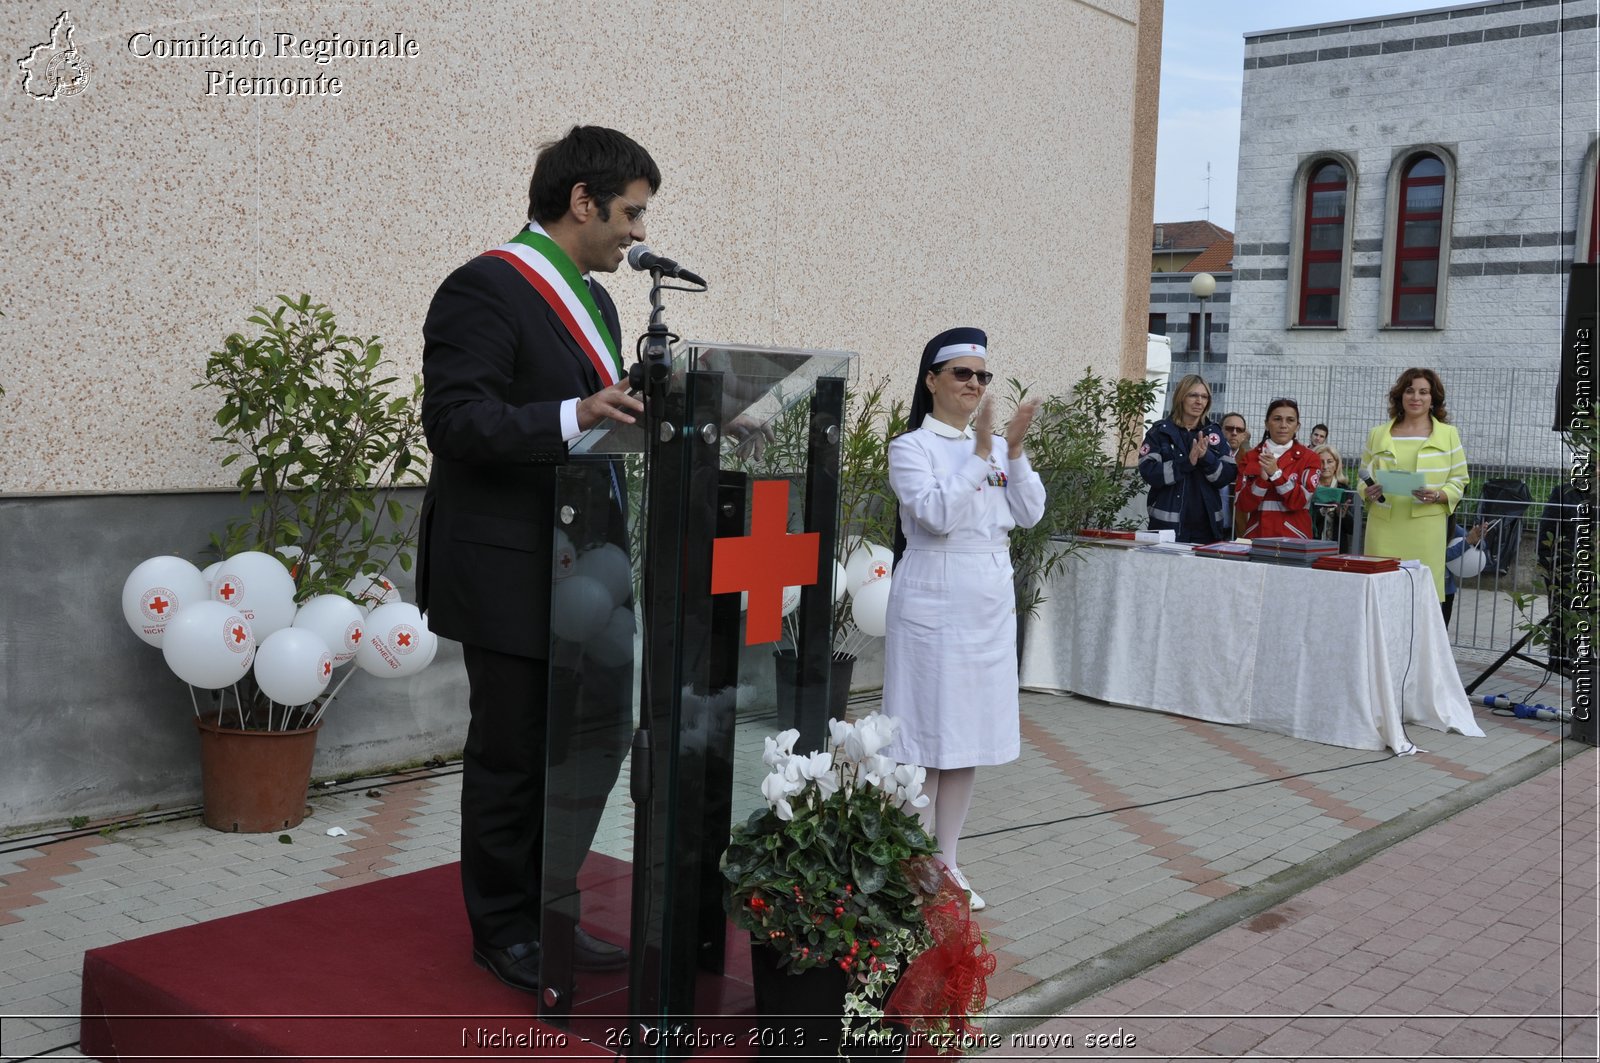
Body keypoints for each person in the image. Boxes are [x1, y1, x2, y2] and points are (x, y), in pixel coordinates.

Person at [417, 126, 658, 993]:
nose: (638, 232)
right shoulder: (484, 287)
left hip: (587, 570)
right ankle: (503, 927)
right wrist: (569, 413)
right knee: (515, 755)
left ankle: (552, 905)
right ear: (582, 200)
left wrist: (695, 419)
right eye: (629, 212)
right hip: (513, 568)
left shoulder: (597, 303)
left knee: (587, 745)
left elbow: (607, 417)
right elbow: (454, 421)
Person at [882, 327, 1045, 912]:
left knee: (967, 736)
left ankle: (947, 860)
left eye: (982, 376)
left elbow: (1028, 512)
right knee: (927, 737)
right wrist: (979, 454)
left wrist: (1015, 452)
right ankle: (910, 859)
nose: (975, 384)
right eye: (962, 374)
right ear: (931, 381)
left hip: (987, 599)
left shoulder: (999, 448)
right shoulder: (912, 447)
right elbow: (936, 516)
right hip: (935, 593)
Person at [1357, 368, 1469, 603]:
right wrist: (1366, 490)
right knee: (1381, 596)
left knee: (1421, 598)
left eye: (1423, 392)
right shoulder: (1377, 434)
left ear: (1433, 399)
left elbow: (1460, 479)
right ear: (1400, 396)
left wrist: (1439, 495)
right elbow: (1362, 475)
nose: (1415, 397)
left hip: (1426, 529)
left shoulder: (1449, 434)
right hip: (1383, 527)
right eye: (1409, 391)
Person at [1137, 375, 1235, 543]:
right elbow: (1149, 472)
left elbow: (1228, 475)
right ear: (1181, 397)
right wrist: (1185, 464)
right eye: (1193, 395)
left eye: (1204, 397)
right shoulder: (1160, 432)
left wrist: (1206, 458)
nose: (1199, 401)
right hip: (1167, 527)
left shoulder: (1214, 433)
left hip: (1207, 529)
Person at [1235, 398, 1321, 539]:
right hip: (1257, 537)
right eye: (1277, 419)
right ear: (1267, 424)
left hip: (1294, 540)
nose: (1283, 425)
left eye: (1290, 420)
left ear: (1297, 427)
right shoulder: (1250, 457)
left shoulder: (1310, 458)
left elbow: (1299, 502)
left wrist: (1275, 474)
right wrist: (1261, 481)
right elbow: (1242, 505)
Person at [1442, 519, 1489, 627]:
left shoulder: (1449, 523)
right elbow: (1439, 557)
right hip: (1429, 587)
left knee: (1441, 632)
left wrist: (1477, 538)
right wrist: (1467, 542)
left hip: (1446, 589)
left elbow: (1481, 545)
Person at [1311, 443, 1352, 546]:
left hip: (1338, 548)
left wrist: (1343, 515)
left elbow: (1352, 528)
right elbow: (1303, 522)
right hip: (1312, 545)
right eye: (1320, 462)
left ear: (1337, 464)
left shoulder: (1344, 490)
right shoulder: (1309, 488)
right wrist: (1322, 511)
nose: (1325, 466)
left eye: (1329, 462)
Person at [1219, 412, 1250, 535]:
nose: (1234, 433)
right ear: (1220, 431)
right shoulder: (1207, 458)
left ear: (1244, 435)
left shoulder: (1250, 461)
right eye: (1229, 428)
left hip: (1237, 530)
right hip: (1207, 528)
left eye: (1239, 430)